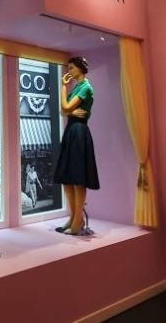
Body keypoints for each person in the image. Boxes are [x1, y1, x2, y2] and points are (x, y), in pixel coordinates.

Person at [53, 56, 99, 236]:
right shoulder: (78, 87)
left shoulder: (86, 87)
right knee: (67, 178)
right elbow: (63, 110)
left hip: (79, 132)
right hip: (71, 131)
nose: (69, 71)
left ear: (80, 68)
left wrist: (63, 87)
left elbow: (65, 107)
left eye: (71, 67)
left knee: (78, 179)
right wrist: (69, 111)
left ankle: (78, 219)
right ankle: (74, 218)